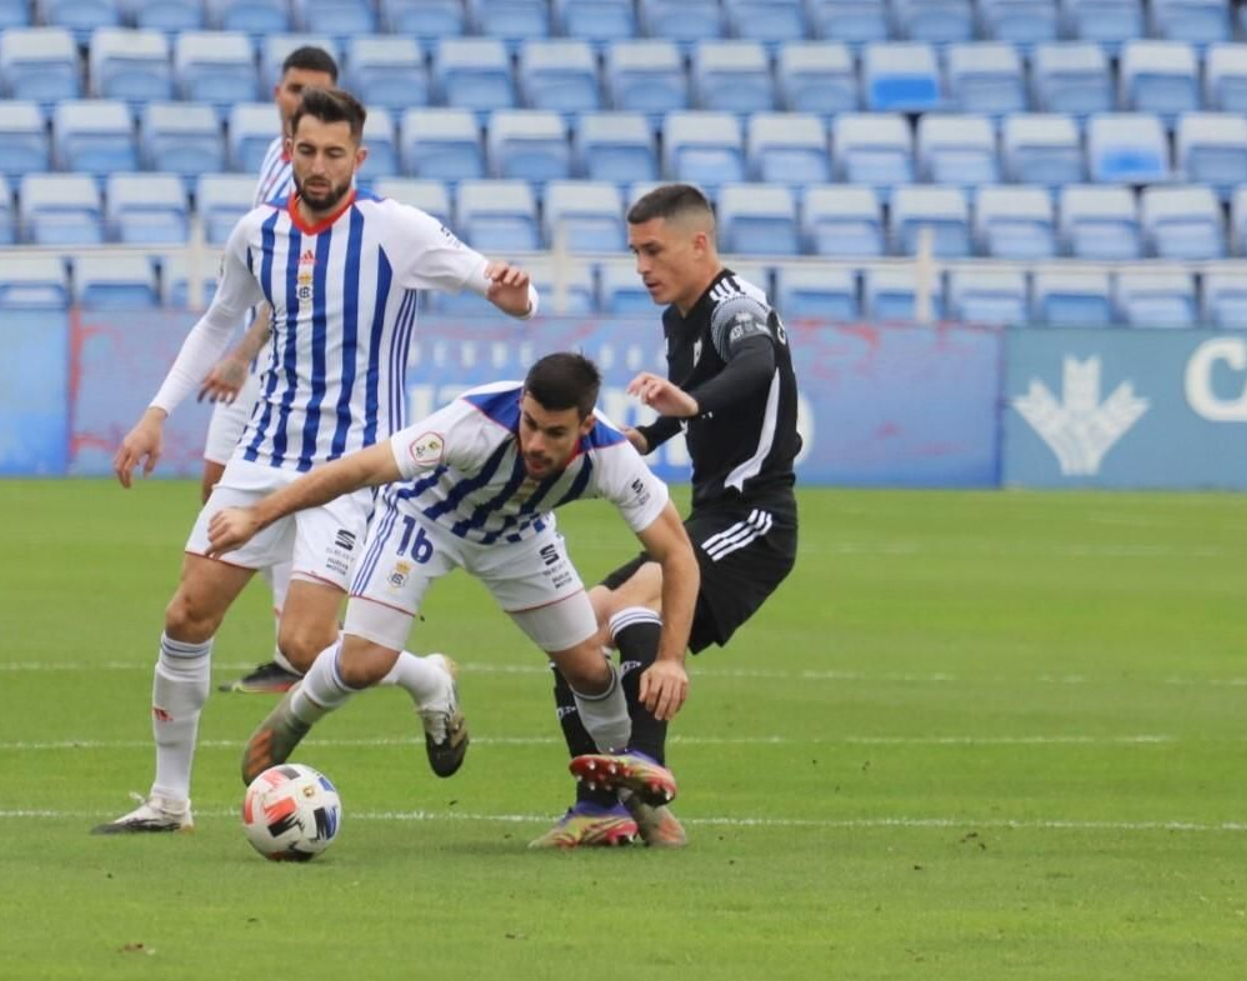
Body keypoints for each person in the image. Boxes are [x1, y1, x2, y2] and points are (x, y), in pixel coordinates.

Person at [92, 87, 539, 835]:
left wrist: (515, 296)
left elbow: (496, 286)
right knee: (187, 613)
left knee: (303, 645)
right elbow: (217, 323)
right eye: (307, 151)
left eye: (336, 153)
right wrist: (154, 415)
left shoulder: (396, 231)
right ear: (288, 150)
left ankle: (427, 678)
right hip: (263, 453)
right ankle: (169, 800)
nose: (320, 165)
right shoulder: (256, 232)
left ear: (358, 157)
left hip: (351, 471)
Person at [203, 353, 700, 793]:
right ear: (522, 402)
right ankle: (291, 720)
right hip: (425, 520)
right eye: (529, 424)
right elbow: (357, 470)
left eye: (555, 433)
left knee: (590, 670)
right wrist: (256, 516)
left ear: (585, 426)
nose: (536, 443)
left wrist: (672, 659)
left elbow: (677, 554)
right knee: (362, 664)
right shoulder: (474, 423)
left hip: (518, 537)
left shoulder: (610, 456)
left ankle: (631, 801)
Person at [533, 184, 802, 850]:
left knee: (634, 604)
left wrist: (691, 404)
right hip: (711, 513)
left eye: (654, 250)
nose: (642, 266)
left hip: (756, 518)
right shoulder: (680, 315)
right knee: (577, 630)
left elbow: (757, 362)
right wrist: (651, 436)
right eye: (635, 252)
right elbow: (696, 402)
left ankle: (646, 762)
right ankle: (609, 807)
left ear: (699, 244)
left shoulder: (732, 306)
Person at [195, 45, 339, 695]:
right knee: (218, 494)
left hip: (286, 366)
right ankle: (298, 643)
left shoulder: (318, 178)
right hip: (254, 356)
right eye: (292, 89)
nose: (300, 100)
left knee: (270, 501)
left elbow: (296, 291)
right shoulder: (271, 158)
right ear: (277, 93)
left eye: (315, 92)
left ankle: (303, 648)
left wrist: (242, 353)